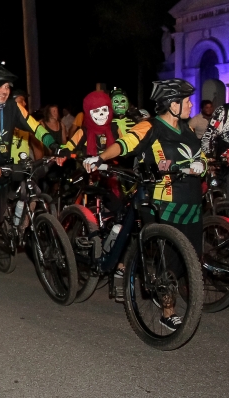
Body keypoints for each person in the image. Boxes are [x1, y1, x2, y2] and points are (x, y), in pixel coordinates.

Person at [84, 79, 205, 331]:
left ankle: (185, 300)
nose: (191, 104)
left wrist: (202, 163)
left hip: (191, 203)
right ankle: (167, 311)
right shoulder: (150, 126)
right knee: (166, 260)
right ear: (172, 105)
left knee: (190, 259)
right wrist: (99, 157)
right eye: (186, 101)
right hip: (162, 200)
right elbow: (125, 143)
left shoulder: (188, 129)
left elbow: (198, 153)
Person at [0, 65, 66, 298]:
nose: (5, 90)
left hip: (1, 175)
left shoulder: (13, 108)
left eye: (7, 86)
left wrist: (54, 144)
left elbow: (36, 128)